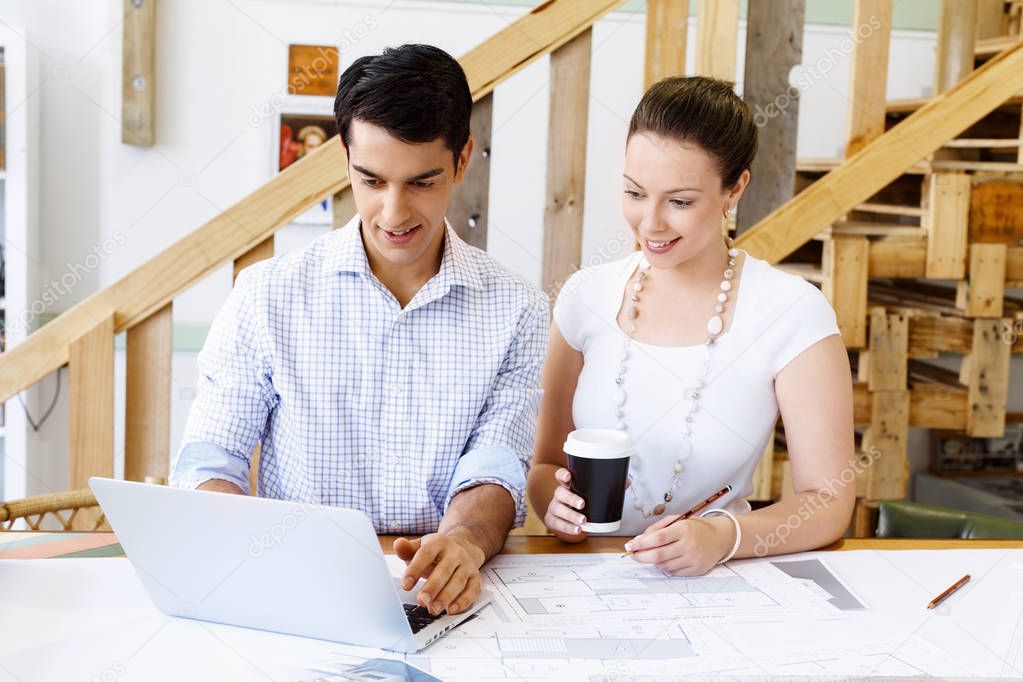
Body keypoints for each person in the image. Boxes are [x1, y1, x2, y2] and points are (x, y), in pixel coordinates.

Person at [170, 44, 548, 617]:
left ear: (463, 158)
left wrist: (465, 542)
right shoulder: (266, 294)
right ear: (345, 159)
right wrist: (239, 540)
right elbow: (209, 461)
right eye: (371, 180)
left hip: (438, 595)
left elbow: (496, 462)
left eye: (422, 182)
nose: (393, 213)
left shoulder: (517, 307)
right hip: (293, 584)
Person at [527, 76, 855, 576]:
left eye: (679, 202)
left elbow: (828, 500)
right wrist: (553, 501)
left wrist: (724, 537)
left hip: (717, 580)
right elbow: (545, 465)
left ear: (735, 189)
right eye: (635, 193)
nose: (650, 224)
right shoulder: (585, 296)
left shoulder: (792, 312)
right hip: (582, 577)